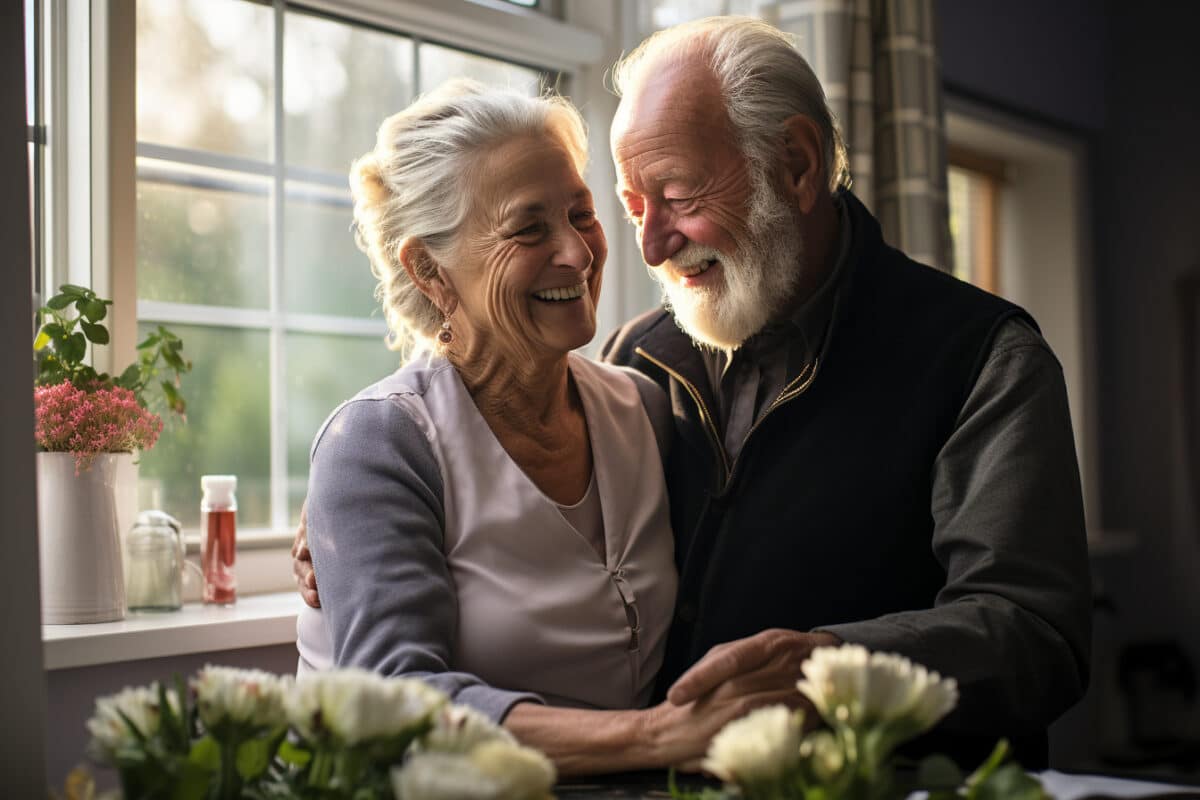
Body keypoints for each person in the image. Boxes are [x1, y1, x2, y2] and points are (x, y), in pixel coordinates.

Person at [296, 16, 1091, 771]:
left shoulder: (981, 357)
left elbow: (1037, 634)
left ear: (798, 166)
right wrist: (355, 505)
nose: (645, 244)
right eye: (632, 205)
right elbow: (469, 465)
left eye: (675, 196)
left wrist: (833, 670)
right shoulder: (647, 357)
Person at [297, 79, 763, 776]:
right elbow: (390, 703)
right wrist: (655, 738)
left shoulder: (645, 411)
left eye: (581, 214)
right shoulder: (381, 442)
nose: (577, 253)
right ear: (429, 268)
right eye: (528, 227)